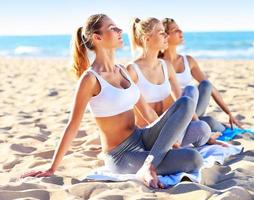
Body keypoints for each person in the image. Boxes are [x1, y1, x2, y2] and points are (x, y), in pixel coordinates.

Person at [21, 14, 204, 189]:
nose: (119, 30)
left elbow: (147, 113)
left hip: (141, 137)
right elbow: (73, 125)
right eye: (112, 28)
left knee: (186, 102)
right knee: (193, 158)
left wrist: (168, 139)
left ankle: (150, 163)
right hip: (121, 154)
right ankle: (149, 165)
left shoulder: (122, 70)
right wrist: (52, 168)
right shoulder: (90, 79)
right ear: (97, 38)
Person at [127, 17, 225, 147]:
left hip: (171, 129)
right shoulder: (132, 70)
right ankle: (173, 144)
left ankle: (178, 142)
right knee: (200, 128)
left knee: (203, 128)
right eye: (161, 32)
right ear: (147, 38)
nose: (166, 36)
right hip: (148, 133)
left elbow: (181, 100)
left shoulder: (166, 66)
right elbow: (143, 113)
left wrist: (198, 125)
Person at [160, 18, 243, 132]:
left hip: (193, 111)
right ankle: (218, 128)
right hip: (175, 113)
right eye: (176, 30)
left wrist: (228, 112)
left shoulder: (188, 60)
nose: (181, 32)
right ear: (166, 36)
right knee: (208, 121)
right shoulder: (159, 63)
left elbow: (210, 88)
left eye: (180, 29)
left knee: (206, 84)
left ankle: (216, 127)